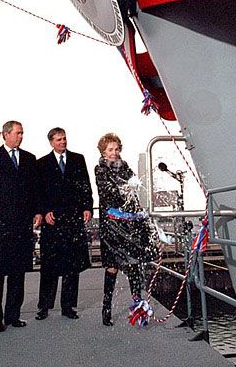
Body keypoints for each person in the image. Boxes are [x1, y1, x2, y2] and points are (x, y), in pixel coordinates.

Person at [0, 120, 42, 333]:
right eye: (17, 133)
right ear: (6, 134)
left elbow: (34, 190)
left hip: (21, 226)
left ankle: (13, 315)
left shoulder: (30, 159)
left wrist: (38, 211)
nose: (21, 136)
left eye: (22, 133)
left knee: (17, 273)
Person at [95, 133, 157, 326]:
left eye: (117, 149)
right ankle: (106, 308)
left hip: (129, 224)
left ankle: (138, 308)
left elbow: (135, 192)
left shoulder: (126, 167)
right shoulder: (100, 169)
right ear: (103, 152)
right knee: (112, 267)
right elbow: (108, 192)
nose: (115, 153)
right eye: (110, 150)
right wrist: (126, 188)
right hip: (111, 225)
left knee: (133, 264)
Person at [35, 127, 93, 321]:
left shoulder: (78, 159)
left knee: (72, 266)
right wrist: (44, 211)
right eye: (59, 140)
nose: (63, 142)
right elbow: (39, 191)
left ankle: (68, 307)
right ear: (51, 142)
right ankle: (44, 306)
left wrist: (87, 207)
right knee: (49, 266)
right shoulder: (41, 163)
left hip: (73, 218)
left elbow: (86, 186)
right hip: (52, 221)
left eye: (64, 139)